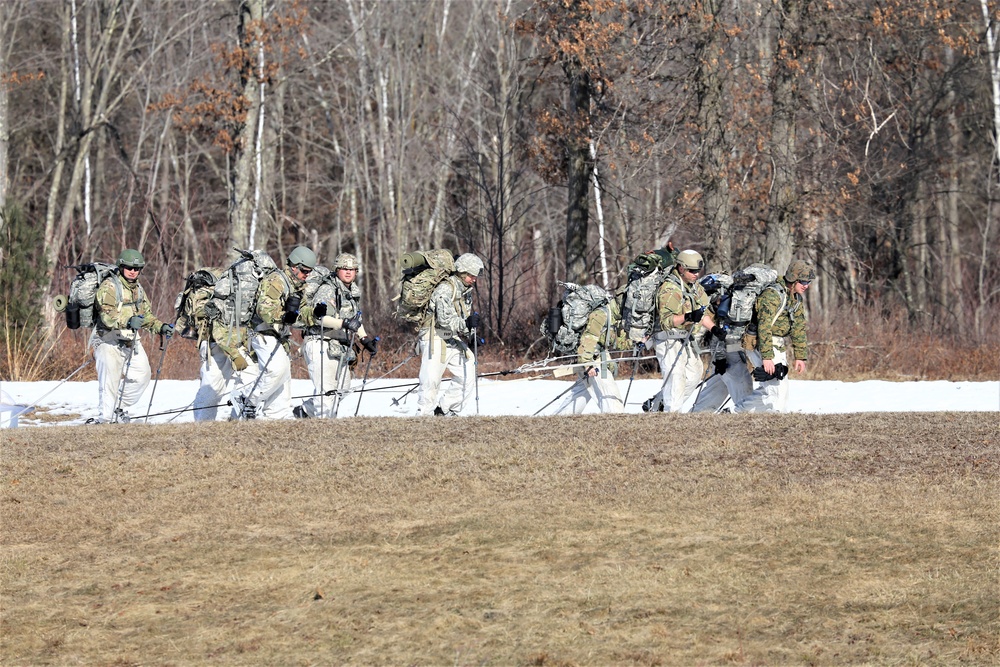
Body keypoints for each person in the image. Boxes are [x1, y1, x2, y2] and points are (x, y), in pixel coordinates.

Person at [90, 249, 172, 423]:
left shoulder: (138, 290)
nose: (133, 271)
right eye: (129, 268)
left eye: (137, 268)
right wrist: (128, 320)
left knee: (142, 376)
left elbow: (146, 316)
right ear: (121, 266)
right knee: (109, 380)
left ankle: (118, 408)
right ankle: (105, 419)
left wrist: (161, 327)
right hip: (107, 339)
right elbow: (106, 315)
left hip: (130, 339)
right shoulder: (109, 286)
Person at [233, 245, 313, 420]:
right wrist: (285, 316)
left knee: (283, 388)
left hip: (280, 336)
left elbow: (302, 313)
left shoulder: (299, 287)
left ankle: (274, 423)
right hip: (262, 333)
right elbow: (264, 309)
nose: (307, 275)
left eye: (310, 272)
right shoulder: (276, 280)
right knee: (277, 370)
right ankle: (246, 398)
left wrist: (314, 314)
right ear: (295, 267)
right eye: (305, 271)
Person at [295, 252, 377, 418]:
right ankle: (325, 428)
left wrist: (365, 339)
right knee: (327, 390)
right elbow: (320, 318)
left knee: (343, 387)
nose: (348, 272)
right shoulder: (328, 289)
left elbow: (356, 320)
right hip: (320, 342)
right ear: (337, 269)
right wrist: (344, 324)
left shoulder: (352, 292)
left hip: (339, 345)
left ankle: (305, 411)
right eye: (344, 268)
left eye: (352, 269)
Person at [735, 258, 814, 413]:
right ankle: (776, 420)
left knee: (777, 390)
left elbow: (798, 328)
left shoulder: (796, 298)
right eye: (803, 281)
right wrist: (767, 357)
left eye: (808, 282)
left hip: (776, 344)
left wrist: (800, 356)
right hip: (762, 343)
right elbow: (763, 327)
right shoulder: (772, 295)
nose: (806, 285)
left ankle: (738, 412)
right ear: (793, 278)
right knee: (776, 390)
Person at [645, 249, 717, 413]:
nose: (696, 274)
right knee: (676, 377)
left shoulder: (694, 286)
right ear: (681, 268)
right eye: (692, 271)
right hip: (668, 339)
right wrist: (689, 316)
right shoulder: (670, 289)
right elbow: (666, 321)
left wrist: (714, 329)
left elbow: (703, 311)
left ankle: (657, 405)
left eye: (698, 271)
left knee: (694, 375)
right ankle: (672, 415)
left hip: (686, 338)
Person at [415, 252, 483, 416]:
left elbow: (462, 316)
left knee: (467, 369)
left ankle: (446, 410)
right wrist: (465, 324)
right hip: (434, 335)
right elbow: (445, 321)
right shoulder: (445, 289)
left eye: (475, 275)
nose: (474, 279)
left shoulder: (465, 290)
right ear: (462, 272)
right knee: (431, 379)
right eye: (471, 275)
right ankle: (423, 416)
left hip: (449, 336)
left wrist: (470, 332)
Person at [554, 295, 628, 414]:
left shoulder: (614, 317)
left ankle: (557, 422)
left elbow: (619, 342)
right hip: (591, 360)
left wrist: (638, 340)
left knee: (580, 395)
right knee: (611, 400)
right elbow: (588, 340)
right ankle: (615, 424)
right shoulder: (601, 315)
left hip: (595, 357)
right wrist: (588, 365)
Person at [191, 299, 258, 421]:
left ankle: (240, 423)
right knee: (211, 390)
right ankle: (203, 427)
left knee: (250, 382)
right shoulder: (215, 287)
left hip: (243, 342)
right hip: (216, 344)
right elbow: (215, 326)